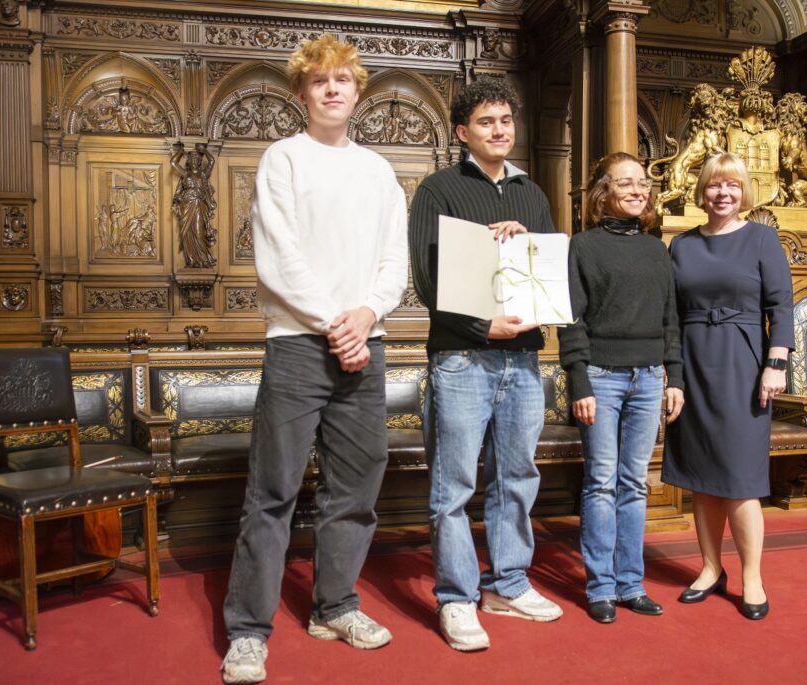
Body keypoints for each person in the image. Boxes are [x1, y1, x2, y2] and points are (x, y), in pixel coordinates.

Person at [221, 34, 408, 684]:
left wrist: (366, 316)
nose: (332, 89)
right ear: (302, 93)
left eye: (342, 79)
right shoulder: (283, 159)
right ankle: (248, 631)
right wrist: (338, 323)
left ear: (357, 90)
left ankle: (335, 607)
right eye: (319, 80)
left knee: (355, 489)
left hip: (364, 342)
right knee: (272, 492)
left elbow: (394, 262)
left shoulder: (379, 171)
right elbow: (279, 258)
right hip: (299, 344)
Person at [409, 77, 562, 653]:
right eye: (485, 122)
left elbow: (548, 273)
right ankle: (456, 597)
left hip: (522, 358)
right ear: (462, 132)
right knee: (454, 485)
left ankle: (508, 584)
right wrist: (481, 326)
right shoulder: (438, 190)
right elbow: (428, 279)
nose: (499, 130)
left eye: (505, 120)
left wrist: (526, 239)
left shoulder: (532, 193)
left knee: (517, 477)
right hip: (462, 358)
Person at [662, 152, 793, 621]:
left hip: (743, 363)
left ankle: (752, 576)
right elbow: (672, 316)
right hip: (694, 362)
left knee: (740, 479)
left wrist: (775, 364)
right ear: (702, 191)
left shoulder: (762, 238)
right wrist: (673, 375)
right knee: (702, 477)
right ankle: (710, 568)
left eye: (732, 185)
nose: (723, 193)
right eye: (715, 185)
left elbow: (781, 306)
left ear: (744, 192)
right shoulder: (681, 245)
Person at [558, 152, 685, 624]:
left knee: (634, 483)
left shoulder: (656, 250)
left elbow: (671, 319)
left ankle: (631, 584)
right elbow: (571, 321)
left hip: (649, 379)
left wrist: (675, 377)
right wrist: (579, 381)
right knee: (600, 482)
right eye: (626, 183)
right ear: (603, 192)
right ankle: (600, 587)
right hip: (602, 379)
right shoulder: (582, 246)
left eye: (643, 183)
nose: (637, 190)